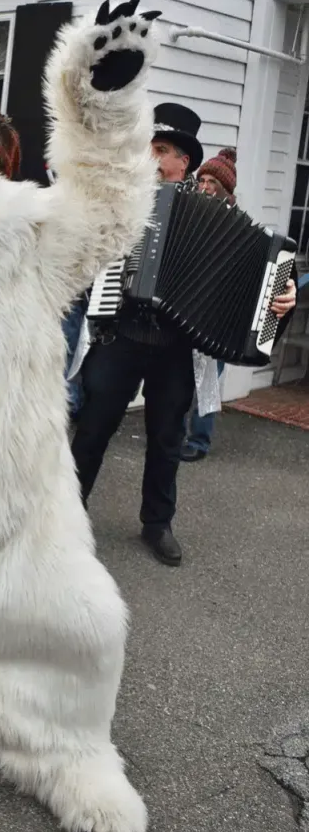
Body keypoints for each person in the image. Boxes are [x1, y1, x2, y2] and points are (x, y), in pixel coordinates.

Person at [70, 104, 296, 566]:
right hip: (121, 335)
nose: (149, 157)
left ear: (183, 162)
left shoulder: (216, 214)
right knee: (92, 428)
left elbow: (257, 274)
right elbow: (84, 253)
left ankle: (157, 524)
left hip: (175, 348)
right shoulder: (122, 200)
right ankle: (66, 518)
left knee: (167, 437)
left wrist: (283, 294)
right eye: (147, 148)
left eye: (160, 149)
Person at [180, 148, 237, 461]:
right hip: (187, 310)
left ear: (225, 188)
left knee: (207, 381)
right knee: (179, 378)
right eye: (201, 180)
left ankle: (199, 441)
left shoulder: (236, 225)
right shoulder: (192, 216)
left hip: (218, 315)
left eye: (211, 182)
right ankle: (174, 434)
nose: (204, 186)